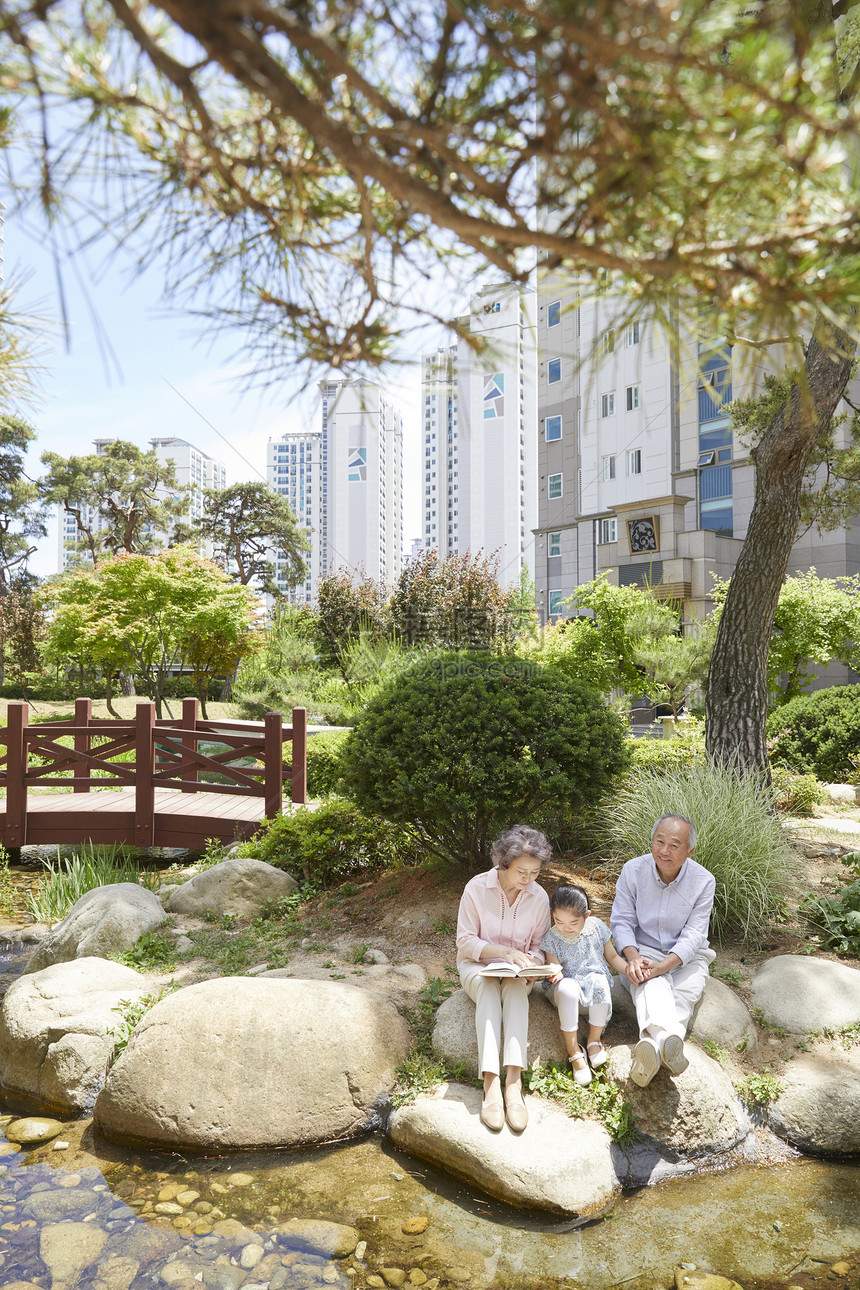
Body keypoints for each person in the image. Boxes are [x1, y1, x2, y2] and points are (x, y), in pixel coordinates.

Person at [456, 824, 552, 1132]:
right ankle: (491, 1082)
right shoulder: (476, 888)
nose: (528, 880)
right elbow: (465, 941)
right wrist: (502, 952)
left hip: (516, 974)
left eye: (535, 873)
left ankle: (514, 1081)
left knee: (512, 988)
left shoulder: (539, 898)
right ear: (504, 864)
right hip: (477, 966)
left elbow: (539, 946)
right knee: (488, 985)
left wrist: (532, 967)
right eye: (522, 872)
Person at [610, 813, 716, 1088]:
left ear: (690, 851)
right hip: (643, 949)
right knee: (650, 982)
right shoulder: (633, 870)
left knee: (685, 995)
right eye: (660, 841)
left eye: (674, 844)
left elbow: (694, 934)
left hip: (686, 957)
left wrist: (667, 965)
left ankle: (652, 1047)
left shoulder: (704, 881)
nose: (664, 851)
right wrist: (632, 957)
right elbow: (622, 920)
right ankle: (667, 1044)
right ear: (652, 841)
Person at [541, 883, 635, 1086]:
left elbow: (611, 956)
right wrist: (554, 971)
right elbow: (553, 965)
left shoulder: (597, 928)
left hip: (594, 996)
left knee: (599, 979)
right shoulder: (552, 938)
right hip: (567, 996)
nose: (566, 928)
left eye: (573, 922)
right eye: (559, 921)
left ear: (587, 915)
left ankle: (594, 1041)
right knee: (568, 987)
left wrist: (628, 970)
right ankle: (574, 1051)